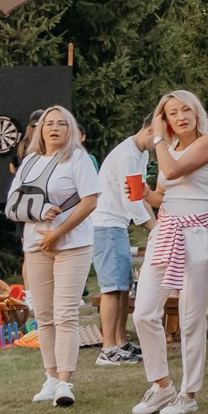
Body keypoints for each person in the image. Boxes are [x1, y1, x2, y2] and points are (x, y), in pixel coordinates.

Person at [130, 90, 208, 414]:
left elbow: (172, 173)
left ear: (197, 112)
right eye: (172, 113)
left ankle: (189, 392)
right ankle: (161, 385)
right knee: (143, 312)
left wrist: (156, 137)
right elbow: (161, 195)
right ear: (167, 119)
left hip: (198, 233)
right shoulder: (169, 149)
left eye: (186, 109)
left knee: (190, 317)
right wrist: (142, 192)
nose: (181, 116)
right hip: (166, 230)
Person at [4, 106, 101, 408]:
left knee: (66, 314)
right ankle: (49, 377)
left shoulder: (78, 159)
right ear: (40, 130)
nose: (55, 128)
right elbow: (12, 202)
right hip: (36, 245)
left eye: (61, 123)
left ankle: (64, 382)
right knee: (44, 316)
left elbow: (90, 200)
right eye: (49, 123)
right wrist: (38, 217)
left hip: (72, 244)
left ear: (71, 129)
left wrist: (58, 232)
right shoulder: (30, 161)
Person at [90, 120, 153, 366]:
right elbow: (131, 200)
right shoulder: (127, 155)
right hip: (106, 224)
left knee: (124, 285)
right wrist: (152, 228)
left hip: (118, 225)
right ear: (148, 129)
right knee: (112, 288)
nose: (161, 145)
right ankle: (107, 350)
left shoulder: (142, 153)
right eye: (159, 138)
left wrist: (156, 225)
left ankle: (120, 341)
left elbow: (142, 193)